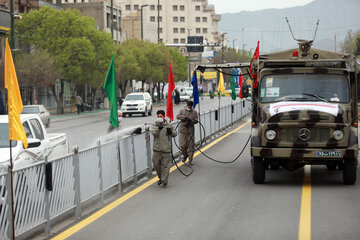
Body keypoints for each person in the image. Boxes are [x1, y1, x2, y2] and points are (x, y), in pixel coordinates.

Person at [151, 110, 177, 188]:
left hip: (166, 149)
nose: (159, 118)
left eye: (161, 116)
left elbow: (175, 134)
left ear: (164, 117)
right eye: (158, 116)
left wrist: (171, 132)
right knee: (156, 165)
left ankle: (164, 181)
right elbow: (154, 133)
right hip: (157, 149)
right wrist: (158, 129)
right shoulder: (155, 124)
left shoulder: (169, 125)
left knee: (165, 166)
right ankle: (161, 178)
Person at [176, 101, 198, 166]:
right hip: (183, 131)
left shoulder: (194, 112)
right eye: (188, 106)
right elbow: (177, 116)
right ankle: (185, 155)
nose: (189, 107)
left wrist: (191, 121)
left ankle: (190, 160)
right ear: (187, 105)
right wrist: (184, 118)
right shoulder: (182, 111)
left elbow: (196, 120)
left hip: (190, 132)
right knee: (183, 146)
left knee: (191, 146)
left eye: (190, 106)